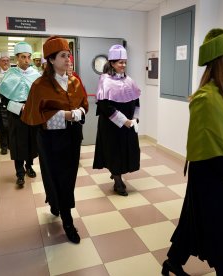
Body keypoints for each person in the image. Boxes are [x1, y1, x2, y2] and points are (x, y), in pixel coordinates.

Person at [162, 29, 223, 276]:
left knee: (193, 223)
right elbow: (216, 155)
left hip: (220, 176)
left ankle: (173, 262)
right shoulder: (206, 99)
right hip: (213, 180)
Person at [21, 36, 88, 244]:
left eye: (68, 55)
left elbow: (85, 105)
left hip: (72, 136)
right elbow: (32, 115)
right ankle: (58, 206)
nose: (68, 59)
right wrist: (64, 115)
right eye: (62, 56)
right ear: (50, 59)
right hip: (50, 138)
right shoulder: (40, 85)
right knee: (52, 174)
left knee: (68, 177)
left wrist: (79, 112)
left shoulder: (75, 81)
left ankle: (65, 214)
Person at [92, 45, 141, 196]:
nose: (123, 65)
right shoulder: (105, 80)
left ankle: (117, 173)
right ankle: (118, 182)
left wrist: (134, 118)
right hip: (112, 125)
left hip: (128, 124)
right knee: (114, 152)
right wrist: (123, 120)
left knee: (126, 151)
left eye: (125, 62)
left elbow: (137, 101)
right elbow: (104, 106)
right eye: (120, 62)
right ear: (112, 63)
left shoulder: (129, 80)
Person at [0, 42, 41, 187]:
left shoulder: (35, 74)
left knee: (31, 141)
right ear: (17, 58)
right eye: (23, 57)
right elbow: (4, 99)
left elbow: (40, 96)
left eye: (28, 57)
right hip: (16, 115)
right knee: (18, 143)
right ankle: (19, 173)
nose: (26, 60)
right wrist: (19, 107)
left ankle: (29, 166)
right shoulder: (10, 74)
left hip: (32, 115)